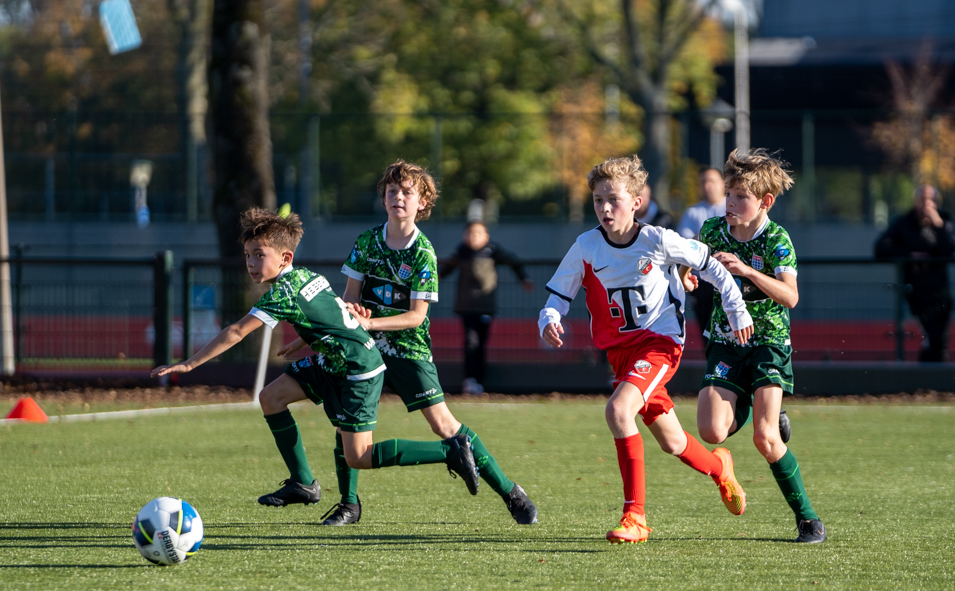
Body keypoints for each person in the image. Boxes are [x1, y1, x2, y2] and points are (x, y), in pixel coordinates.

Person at [152, 208, 480, 513]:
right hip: (333, 360)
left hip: (358, 369)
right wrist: (303, 340)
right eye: (248, 255)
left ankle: (450, 451)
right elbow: (331, 315)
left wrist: (189, 364)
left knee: (360, 457)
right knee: (271, 397)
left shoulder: (284, 292)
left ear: (285, 258)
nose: (251, 263)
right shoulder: (305, 276)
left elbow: (237, 331)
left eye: (259, 255)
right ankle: (303, 484)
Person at [282, 161, 537, 526]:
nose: (398, 197)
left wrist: (370, 321)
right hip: (363, 348)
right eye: (392, 191)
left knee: (445, 426)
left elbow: (416, 317)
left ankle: (511, 492)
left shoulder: (423, 254)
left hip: (408, 349)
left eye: (407, 192)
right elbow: (348, 299)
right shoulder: (367, 241)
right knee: (346, 422)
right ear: (383, 199)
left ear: (423, 202)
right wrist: (323, 330)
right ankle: (348, 505)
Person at [538, 155, 754, 544]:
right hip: (621, 354)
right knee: (672, 442)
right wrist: (549, 318)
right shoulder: (586, 246)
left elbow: (712, 266)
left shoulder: (657, 239)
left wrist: (736, 309)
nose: (605, 207)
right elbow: (557, 295)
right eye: (598, 200)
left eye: (614, 199)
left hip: (660, 344)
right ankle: (720, 468)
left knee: (619, 411)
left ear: (636, 201)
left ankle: (634, 517)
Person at [684, 148, 827, 544]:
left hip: (768, 344)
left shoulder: (778, 239)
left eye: (740, 196)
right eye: (728, 194)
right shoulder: (712, 231)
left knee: (765, 438)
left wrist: (747, 271)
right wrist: (686, 277)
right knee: (711, 432)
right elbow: (687, 261)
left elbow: (791, 297)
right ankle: (753, 407)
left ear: (765, 201)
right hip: (726, 344)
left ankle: (808, 519)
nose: (731, 203)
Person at [439, 221, 534, 395]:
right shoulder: (462, 252)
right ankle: (470, 380)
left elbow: (513, 261)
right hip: (466, 306)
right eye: (469, 233)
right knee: (470, 342)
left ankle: (479, 380)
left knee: (481, 344)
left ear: (486, 236)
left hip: (486, 306)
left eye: (477, 233)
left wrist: (524, 278)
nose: (473, 237)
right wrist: (436, 279)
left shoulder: (492, 251)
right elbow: (446, 269)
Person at [875, 185, 955, 362]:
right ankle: (927, 375)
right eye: (922, 200)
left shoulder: (943, 222)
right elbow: (880, 248)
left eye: (930, 200)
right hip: (917, 292)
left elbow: (949, 248)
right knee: (932, 335)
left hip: (940, 292)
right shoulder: (904, 224)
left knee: (940, 339)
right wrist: (909, 255)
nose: (926, 204)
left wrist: (938, 222)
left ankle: (936, 379)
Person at [677, 167, 728, 345]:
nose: (708, 186)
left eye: (712, 181)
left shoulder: (732, 207)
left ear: (723, 184)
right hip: (703, 283)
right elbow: (687, 245)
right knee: (708, 335)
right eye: (704, 182)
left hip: (730, 279)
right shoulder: (692, 212)